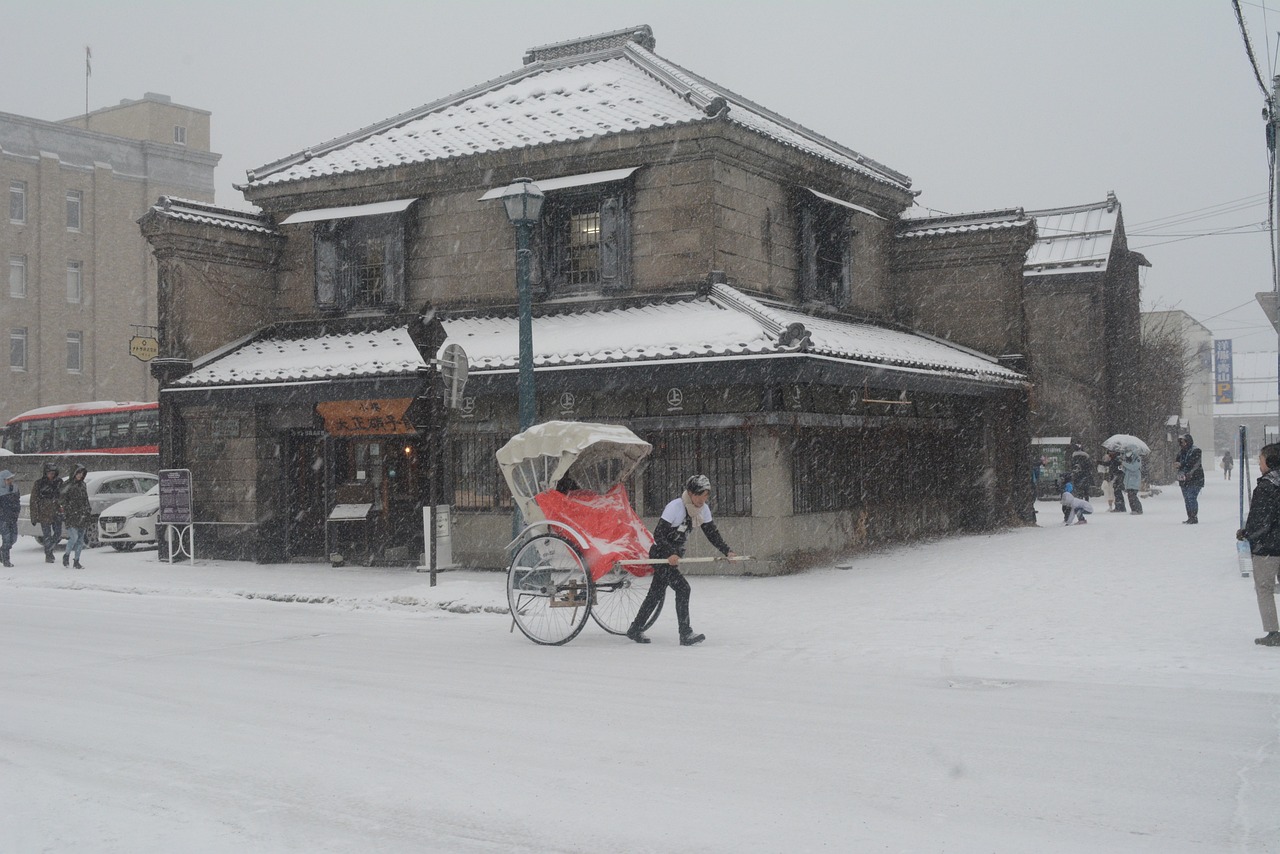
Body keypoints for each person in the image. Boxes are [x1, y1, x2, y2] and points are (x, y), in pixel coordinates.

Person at [626, 474, 737, 646]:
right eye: (701, 495)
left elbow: (712, 533)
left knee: (655, 594)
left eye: (706, 495)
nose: (703, 499)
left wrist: (727, 551)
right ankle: (685, 633)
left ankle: (635, 628)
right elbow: (659, 534)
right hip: (660, 554)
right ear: (692, 493)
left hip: (673, 556)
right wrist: (670, 553)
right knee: (683, 589)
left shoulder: (702, 510)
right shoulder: (675, 507)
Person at [1237, 443, 1280, 646]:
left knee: (1264, 588)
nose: (1259, 464)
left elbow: (1260, 519)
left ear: (1270, 462)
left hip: (1268, 548)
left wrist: (1247, 534)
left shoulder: (1266, 486)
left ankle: (1273, 632)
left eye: (1261, 460)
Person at [30, 462, 64, 564]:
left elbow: (63, 496)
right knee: (47, 535)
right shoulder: (39, 483)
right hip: (44, 513)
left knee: (58, 533)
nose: (51, 474)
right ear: (45, 473)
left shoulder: (59, 482)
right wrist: (34, 515)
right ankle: (48, 554)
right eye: (49, 472)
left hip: (56, 512)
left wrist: (62, 507)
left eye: (53, 472)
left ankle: (49, 549)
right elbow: (34, 500)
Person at [61, 465, 91, 569]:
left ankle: (76, 560)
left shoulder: (83, 485)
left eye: (81, 473)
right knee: (74, 537)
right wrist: (67, 509)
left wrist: (87, 510)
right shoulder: (68, 485)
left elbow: (85, 499)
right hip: (71, 515)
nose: (80, 475)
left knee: (80, 540)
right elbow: (62, 500)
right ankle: (67, 555)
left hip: (82, 514)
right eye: (78, 473)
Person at [1175, 433, 1204, 524]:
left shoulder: (1196, 451)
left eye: (1183, 442)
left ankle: (1194, 517)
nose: (1182, 444)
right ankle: (1190, 516)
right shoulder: (1181, 452)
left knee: (1191, 497)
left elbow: (1193, 463)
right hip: (1184, 479)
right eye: (1181, 442)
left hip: (1195, 478)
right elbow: (1178, 461)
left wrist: (1181, 464)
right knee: (1187, 498)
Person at [0, 470, 19, 567]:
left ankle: (2, 551)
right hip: (3, 519)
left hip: (13, 517)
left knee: (14, 538)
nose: (10, 481)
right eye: (8, 479)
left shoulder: (15, 488)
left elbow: (17, 501)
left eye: (11, 478)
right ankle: (6, 560)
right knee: (6, 539)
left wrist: (16, 512)